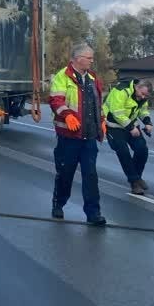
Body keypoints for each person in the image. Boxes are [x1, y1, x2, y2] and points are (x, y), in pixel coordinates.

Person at [48, 41, 107, 225]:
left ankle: (93, 214)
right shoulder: (62, 77)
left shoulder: (93, 78)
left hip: (89, 137)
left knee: (91, 176)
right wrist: (67, 115)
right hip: (69, 137)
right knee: (65, 173)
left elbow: (97, 103)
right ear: (78, 59)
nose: (92, 61)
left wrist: (102, 121)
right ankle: (58, 203)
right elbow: (55, 100)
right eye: (89, 58)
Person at [103, 78, 153, 195]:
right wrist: (130, 127)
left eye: (146, 96)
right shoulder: (121, 91)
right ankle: (134, 182)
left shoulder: (142, 97)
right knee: (123, 151)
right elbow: (117, 113)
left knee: (142, 150)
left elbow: (143, 111)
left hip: (131, 126)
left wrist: (148, 122)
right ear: (137, 87)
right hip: (113, 126)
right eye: (142, 94)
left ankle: (136, 177)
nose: (143, 97)